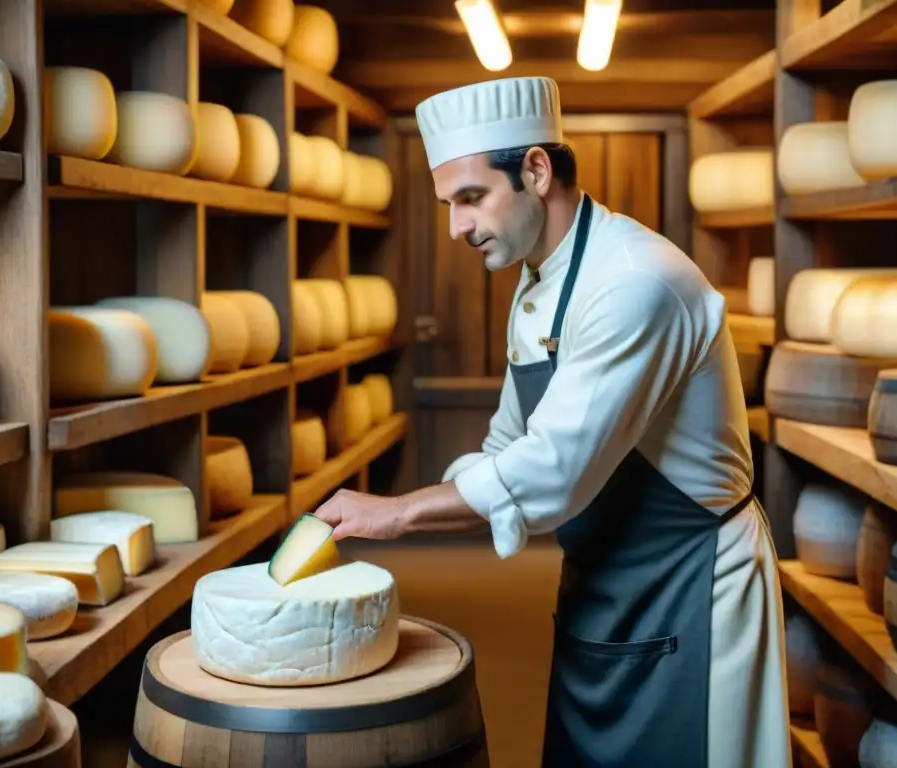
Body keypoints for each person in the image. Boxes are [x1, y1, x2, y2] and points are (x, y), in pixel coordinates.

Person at [312, 76, 791, 768]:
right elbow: (509, 445)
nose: (456, 228)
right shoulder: (538, 283)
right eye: (448, 205)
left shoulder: (634, 282)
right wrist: (454, 491)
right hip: (603, 580)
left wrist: (400, 513)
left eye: (470, 198)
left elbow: (553, 469)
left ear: (535, 171)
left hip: (689, 583)